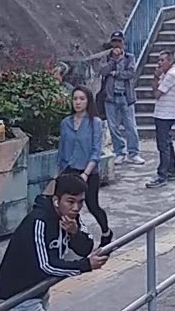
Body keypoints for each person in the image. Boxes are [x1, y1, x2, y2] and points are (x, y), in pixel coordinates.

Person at [0, 172, 109, 310]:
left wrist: (75, 233)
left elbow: (85, 248)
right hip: (17, 294)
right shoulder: (39, 221)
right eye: (70, 201)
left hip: (39, 290)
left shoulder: (72, 217)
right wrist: (86, 265)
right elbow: (46, 265)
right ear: (56, 200)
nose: (76, 208)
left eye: (80, 202)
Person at [56, 86, 112, 247]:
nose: (78, 102)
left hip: (88, 171)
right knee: (68, 206)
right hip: (69, 170)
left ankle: (106, 232)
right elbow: (62, 149)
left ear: (88, 101)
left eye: (82, 99)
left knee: (92, 205)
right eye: (75, 99)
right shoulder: (65, 123)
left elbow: (96, 150)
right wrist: (59, 173)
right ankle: (72, 236)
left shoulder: (94, 122)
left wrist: (86, 174)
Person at [100, 31, 143, 165]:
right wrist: (113, 61)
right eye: (114, 41)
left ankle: (134, 153)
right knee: (113, 127)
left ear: (123, 42)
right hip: (111, 97)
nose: (117, 44)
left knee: (130, 126)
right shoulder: (107, 58)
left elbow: (130, 73)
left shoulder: (130, 57)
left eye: (119, 41)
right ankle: (120, 152)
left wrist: (116, 73)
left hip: (126, 96)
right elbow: (102, 71)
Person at [146, 50, 175, 188]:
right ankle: (172, 170)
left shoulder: (171, 75)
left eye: (162, 60)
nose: (159, 63)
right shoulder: (166, 75)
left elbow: (157, 93)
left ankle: (163, 175)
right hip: (163, 113)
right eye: (158, 60)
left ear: (170, 61)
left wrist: (156, 78)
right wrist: (156, 78)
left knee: (163, 145)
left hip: (165, 114)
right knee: (167, 142)